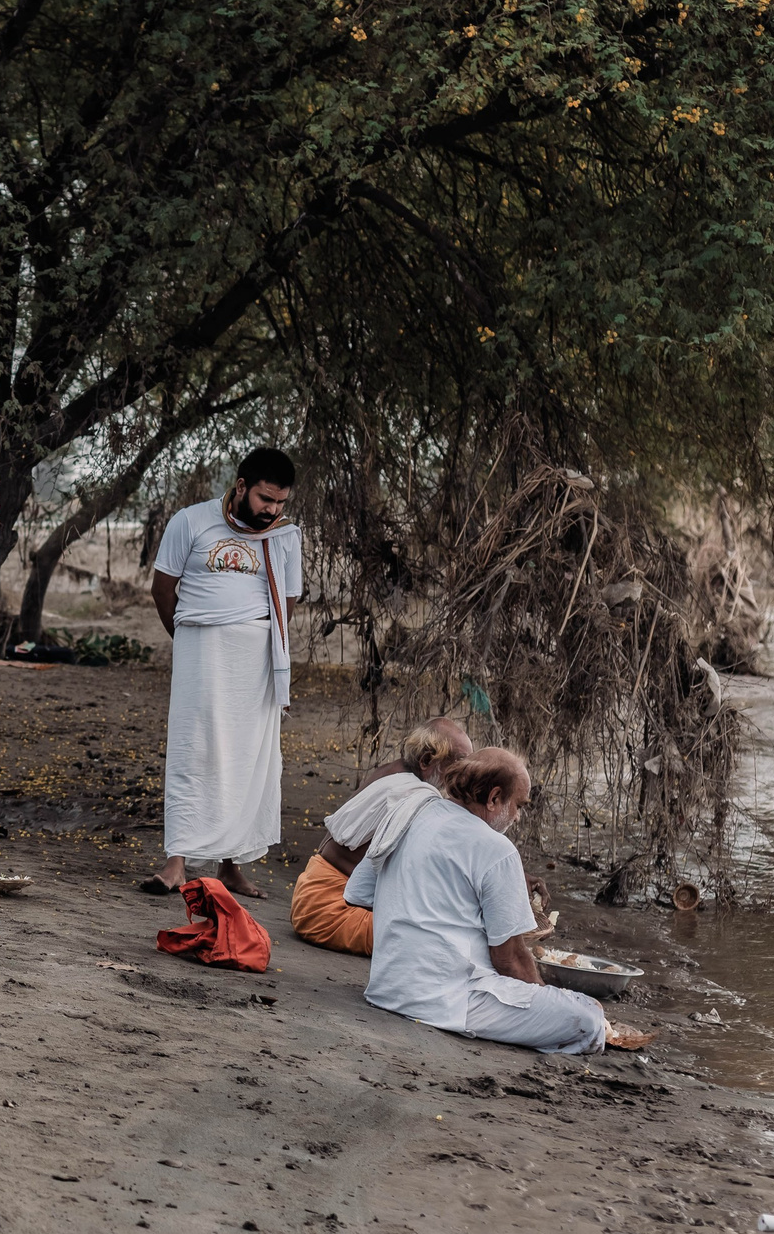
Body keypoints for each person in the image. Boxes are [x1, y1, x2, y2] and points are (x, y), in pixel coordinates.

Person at [343, 747, 651, 1054]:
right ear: (493, 798)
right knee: (589, 1017)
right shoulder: (496, 848)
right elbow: (510, 960)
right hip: (445, 999)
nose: (517, 817)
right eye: (517, 805)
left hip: (386, 986)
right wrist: (543, 1000)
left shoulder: (411, 814)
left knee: (575, 1006)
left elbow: (360, 893)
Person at [144, 447, 304, 899]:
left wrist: (253, 639)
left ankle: (230, 865)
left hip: (255, 663)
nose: (271, 510)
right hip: (199, 648)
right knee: (192, 750)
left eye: (280, 502)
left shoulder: (285, 536)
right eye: (264, 499)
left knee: (247, 759)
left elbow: (286, 603)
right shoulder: (191, 521)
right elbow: (163, 589)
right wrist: (192, 638)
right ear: (240, 487)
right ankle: (177, 862)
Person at [288, 717, 473, 955]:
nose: (464, 774)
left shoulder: (393, 772)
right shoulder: (416, 793)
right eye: (459, 763)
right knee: (445, 942)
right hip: (329, 910)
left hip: (312, 896)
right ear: (427, 760)